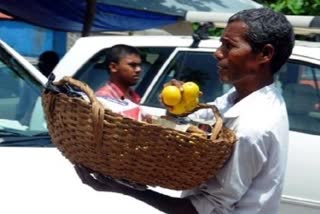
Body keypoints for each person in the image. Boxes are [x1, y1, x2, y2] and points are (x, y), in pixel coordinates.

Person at [74, 7, 294, 214]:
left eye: (229, 46)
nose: (217, 54)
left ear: (264, 54)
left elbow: (207, 208)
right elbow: (201, 119)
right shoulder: (239, 97)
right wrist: (177, 106)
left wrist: (124, 188)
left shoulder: (254, 125)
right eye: (221, 45)